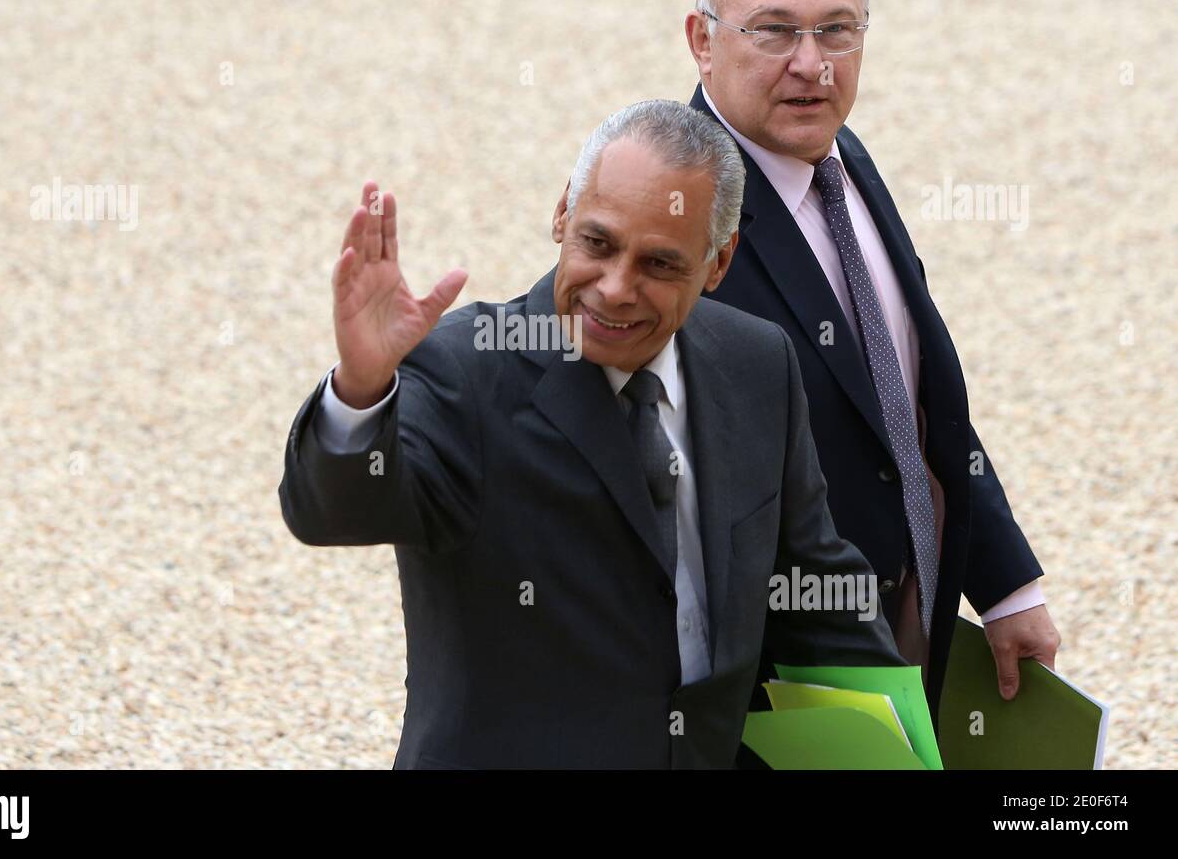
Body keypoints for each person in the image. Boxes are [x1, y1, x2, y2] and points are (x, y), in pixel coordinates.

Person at [279, 100, 905, 768]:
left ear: (718, 264)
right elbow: (333, 513)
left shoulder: (759, 365)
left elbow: (820, 594)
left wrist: (901, 755)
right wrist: (362, 389)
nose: (615, 288)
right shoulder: (462, 370)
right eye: (598, 244)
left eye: (660, 265)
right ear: (562, 214)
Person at [680, 0, 1060, 718]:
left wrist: (1004, 586)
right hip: (779, 702)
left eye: (837, 31)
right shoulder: (673, 210)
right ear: (702, 41)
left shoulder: (844, 161)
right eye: (775, 31)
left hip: (907, 657)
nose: (811, 64)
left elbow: (907, 398)